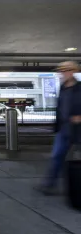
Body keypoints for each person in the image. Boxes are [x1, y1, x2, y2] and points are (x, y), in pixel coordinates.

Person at [36, 61, 81, 195]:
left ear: (73, 72)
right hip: (63, 129)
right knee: (56, 156)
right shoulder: (62, 87)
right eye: (61, 71)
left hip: (78, 130)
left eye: (66, 70)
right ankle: (49, 184)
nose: (62, 73)